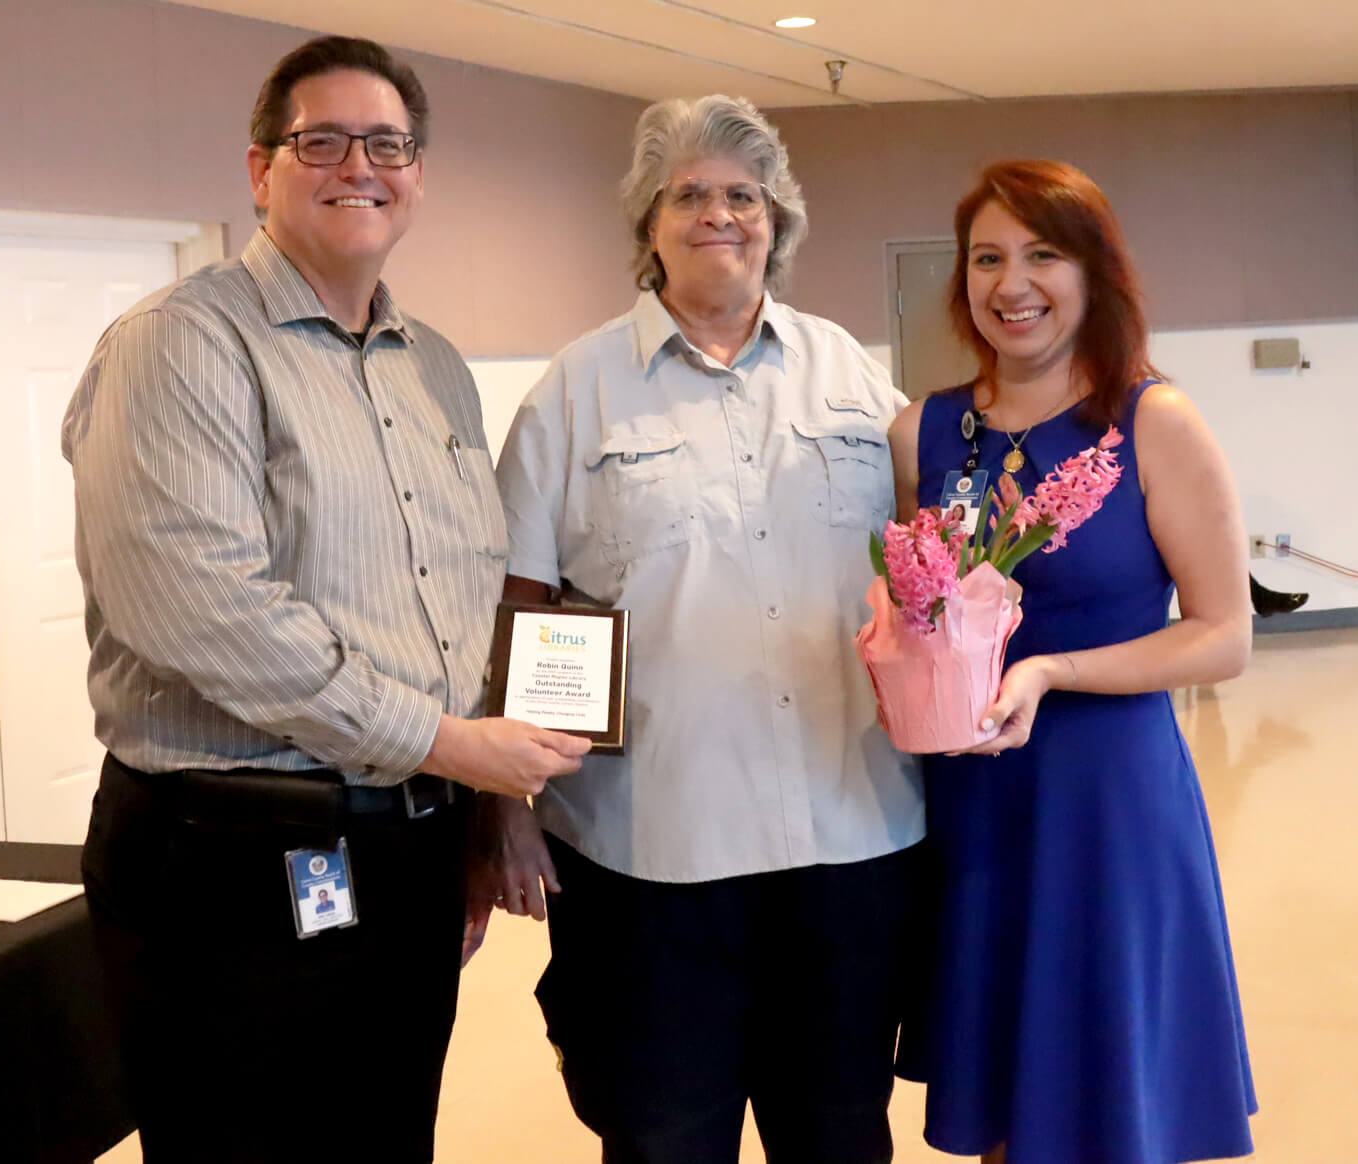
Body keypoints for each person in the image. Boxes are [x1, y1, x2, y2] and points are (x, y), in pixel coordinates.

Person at [62, 35, 588, 1162]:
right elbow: (209, 610)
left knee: (388, 1135)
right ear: (261, 170)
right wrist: (453, 745)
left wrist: (481, 803)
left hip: (404, 843)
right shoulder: (180, 347)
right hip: (229, 854)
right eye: (323, 141)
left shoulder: (432, 364)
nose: (361, 164)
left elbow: (458, 603)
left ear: (419, 173)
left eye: (389, 142)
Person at [489, 95, 924, 1163]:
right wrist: (503, 810)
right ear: (648, 224)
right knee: (661, 1138)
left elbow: (931, 569)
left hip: (850, 839)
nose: (718, 215)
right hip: (649, 857)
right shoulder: (573, 394)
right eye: (689, 195)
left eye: (743, 196)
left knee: (838, 1135)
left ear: (777, 222)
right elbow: (520, 608)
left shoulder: (851, 376)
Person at [888, 159, 1257, 1164]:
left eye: (1042, 254)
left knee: (1106, 1098)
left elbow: (1223, 634)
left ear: (1093, 272)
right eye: (987, 258)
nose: (1013, 284)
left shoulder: (1151, 421)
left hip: (1106, 803)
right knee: (1008, 1106)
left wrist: (1053, 673)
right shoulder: (922, 430)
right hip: (973, 808)